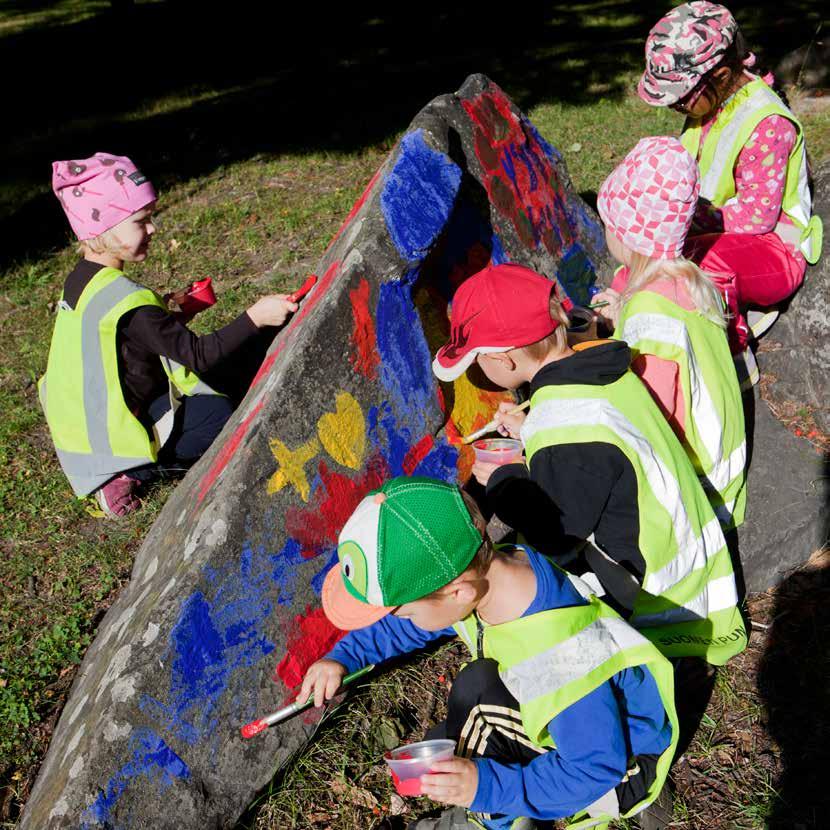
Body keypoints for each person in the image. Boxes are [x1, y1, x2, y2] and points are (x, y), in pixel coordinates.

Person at [302, 476, 678, 830]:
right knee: (460, 720)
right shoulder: (496, 572)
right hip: (589, 730)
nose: (404, 619)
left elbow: (595, 768)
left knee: (474, 710)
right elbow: (408, 625)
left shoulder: (557, 656)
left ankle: (492, 819)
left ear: (457, 592)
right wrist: (345, 657)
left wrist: (483, 788)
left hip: (620, 771)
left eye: (404, 608)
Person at [432, 263, 746, 665]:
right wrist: (532, 432)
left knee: (523, 565)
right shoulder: (601, 371)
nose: (478, 371)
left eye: (477, 361)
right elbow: (595, 456)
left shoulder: (561, 429)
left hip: (663, 599)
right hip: (690, 554)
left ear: (504, 361)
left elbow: (558, 534)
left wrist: (503, 481)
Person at [42, 152, 298, 517]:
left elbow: (124, 339)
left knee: (219, 380)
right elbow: (197, 355)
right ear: (103, 228)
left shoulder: (83, 279)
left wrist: (173, 313)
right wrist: (255, 317)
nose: (152, 229)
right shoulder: (128, 302)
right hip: (112, 435)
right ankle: (128, 474)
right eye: (141, 221)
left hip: (89, 419)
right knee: (218, 414)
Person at [638, 1, 823, 385]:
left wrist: (685, 215)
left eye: (680, 95)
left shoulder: (767, 124)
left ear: (721, 74)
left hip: (774, 247)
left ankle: (732, 351)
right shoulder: (709, 105)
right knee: (647, 255)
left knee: (702, 263)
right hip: (716, 227)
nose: (674, 105)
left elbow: (756, 219)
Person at [591, 136, 747, 530]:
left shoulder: (649, 314)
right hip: (723, 459)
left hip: (700, 486)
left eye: (609, 222)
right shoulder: (692, 281)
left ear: (626, 234)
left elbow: (653, 413)